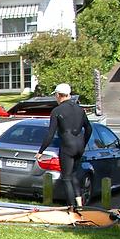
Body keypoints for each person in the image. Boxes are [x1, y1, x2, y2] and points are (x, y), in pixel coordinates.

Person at [36, 83, 92, 211]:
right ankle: (80, 205)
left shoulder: (57, 111)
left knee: (66, 177)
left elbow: (50, 134)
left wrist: (41, 151)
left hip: (67, 146)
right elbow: (89, 128)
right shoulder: (80, 109)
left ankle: (71, 208)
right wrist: (84, 142)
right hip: (79, 146)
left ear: (58, 95)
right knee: (74, 175)